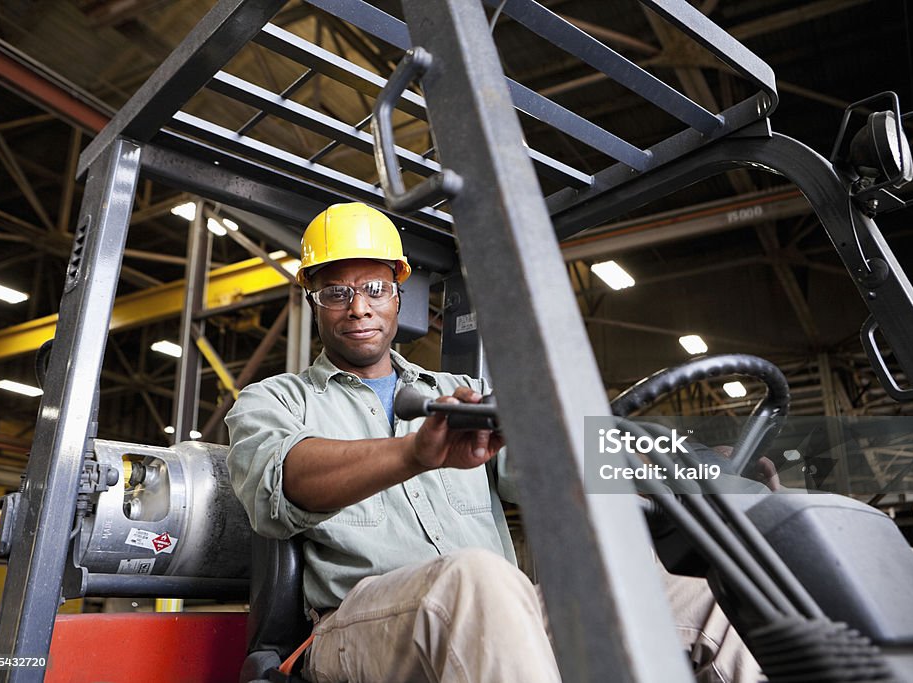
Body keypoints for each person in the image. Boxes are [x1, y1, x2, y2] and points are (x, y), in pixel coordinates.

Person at [226, 202, 757, 683]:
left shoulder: (460, 397)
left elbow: (556, 466)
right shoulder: (273, 401)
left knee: (708, 597)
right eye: (337, 292)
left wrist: (694, 470)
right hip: (359, 626)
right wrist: (413, 454)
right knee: (477, 577)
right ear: (312, 298)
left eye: (375, 288)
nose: (359, 307)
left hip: (506, 605)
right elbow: (282, 484)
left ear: (399, 292)